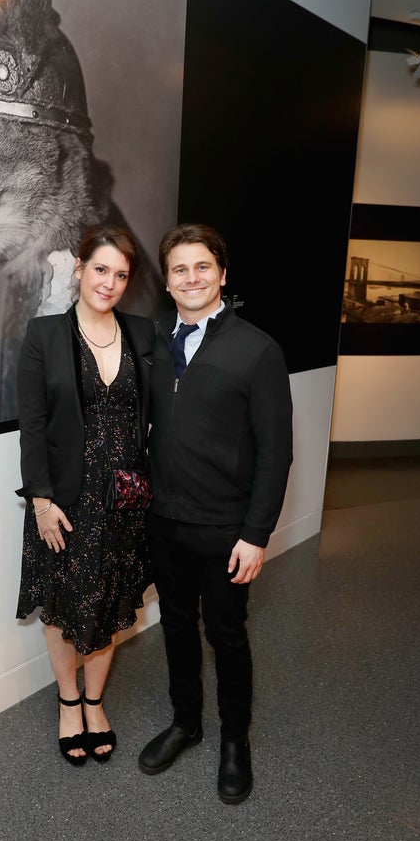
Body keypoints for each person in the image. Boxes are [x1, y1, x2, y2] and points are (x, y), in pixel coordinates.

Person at [138, 223, 293, 803]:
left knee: (225, 634)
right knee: (175, 626)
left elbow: (276, 452)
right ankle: (187, 722)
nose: (191, 277)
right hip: (165, 522)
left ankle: (234, 739)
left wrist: (256, 535)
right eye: (179, 269)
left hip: (227, 529)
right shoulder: (153, 340)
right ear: (168, 281)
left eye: (202, 266)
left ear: (222, 274)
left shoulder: (257, 349)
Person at [15, 224, 155, 765]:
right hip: (64, 503)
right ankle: (68, 702)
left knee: (111, 600)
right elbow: (32, 427)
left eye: (121, 275)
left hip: (124, 500)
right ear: (78, 269)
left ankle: (95, 702)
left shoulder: (144, 335)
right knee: (61, 607)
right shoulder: (45, 335)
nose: (110, 283)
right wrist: (41, 502)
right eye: (101, 269)